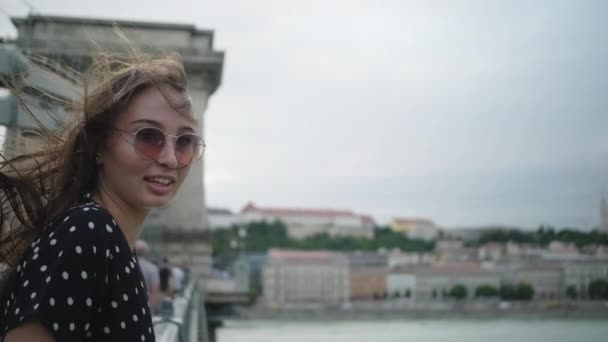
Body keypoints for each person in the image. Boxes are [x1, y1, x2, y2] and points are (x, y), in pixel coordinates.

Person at [0, 47, 205, 342]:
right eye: (148, 136)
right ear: (98, 145)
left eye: (185, 141)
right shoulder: (87, 231)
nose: (171, 159)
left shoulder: (109, 242)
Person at [134, 240, 161, 312]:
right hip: (145, 307)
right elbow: (154, 291)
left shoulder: (126, 266)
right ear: (146, 253)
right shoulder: (152, 268)